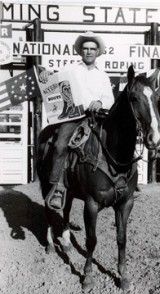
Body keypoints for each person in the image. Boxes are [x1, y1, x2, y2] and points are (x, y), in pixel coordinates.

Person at [39, 31, 114, 209]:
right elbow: (53, 80)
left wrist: (100, 101)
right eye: (85, 48)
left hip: (98, 117)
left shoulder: (103, 76)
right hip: (74, 117)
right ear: (81, 51)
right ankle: (57, 188)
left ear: (98, 52)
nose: (88, 52)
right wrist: (45, 74)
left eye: (92, 49)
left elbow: (109, 98)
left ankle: (122, 180)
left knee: (117, 139)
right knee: (60, 145)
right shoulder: (70, 69)